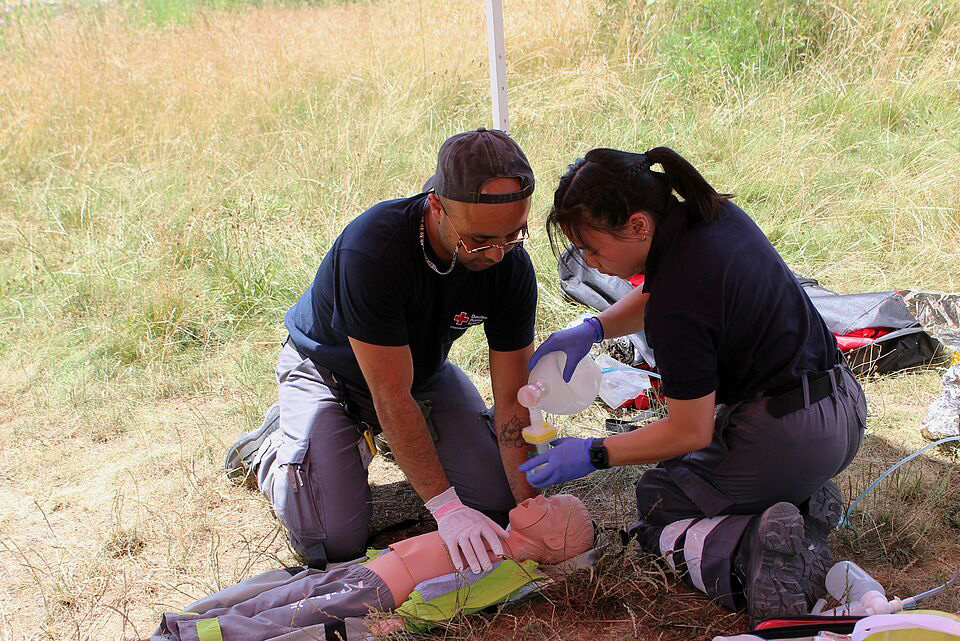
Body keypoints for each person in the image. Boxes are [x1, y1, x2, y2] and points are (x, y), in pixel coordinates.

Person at [518, 147, 867, 623]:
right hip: (844, 408)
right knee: (694, 466)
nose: (590, 262)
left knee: (659, 498)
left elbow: (688, 431)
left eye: (592, 248)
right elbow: (664, 290)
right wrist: (594, 328)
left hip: (792, 434)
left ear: (639, 226)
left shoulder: (678, 307)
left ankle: (752, 550)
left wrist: (594, 452)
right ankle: (802, 500)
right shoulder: (711, 217)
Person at [225, 129, 540, 575]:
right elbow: (390, 397)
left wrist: (529, 511)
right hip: (330, 372)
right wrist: (447, 511)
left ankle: (392, 444)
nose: (495, 254)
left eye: (513, 234)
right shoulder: (374, 250)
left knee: (496, 502)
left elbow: (511, 398)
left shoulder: (510, 266)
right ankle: (272, 452)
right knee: (334, 540)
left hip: (420, 374)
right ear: (436, 206)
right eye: (479, 240)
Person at [156, 495, 594, 641]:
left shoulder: (507, 569)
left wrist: (400, 622)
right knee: (279, 598)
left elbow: (455, 596)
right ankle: (195, 624)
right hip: (369, 571)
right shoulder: (490, 531)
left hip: (376, 592)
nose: (541, 498)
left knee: (290, 616)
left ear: (554, 543)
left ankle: (201, 635)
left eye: (552, 508)